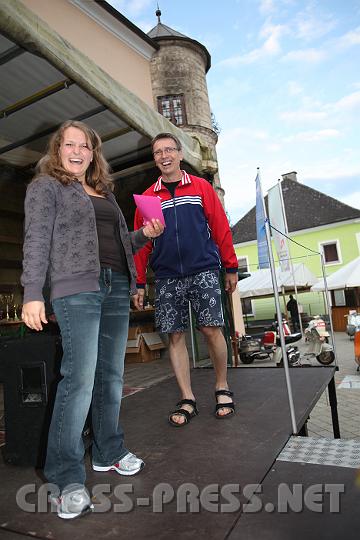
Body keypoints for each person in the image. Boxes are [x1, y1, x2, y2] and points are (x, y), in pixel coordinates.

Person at [21, 120, 163, 519]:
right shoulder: (46, 188)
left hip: (115, 284)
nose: (78, 151)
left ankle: (108, 451)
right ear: (57, 149)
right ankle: (65, 477)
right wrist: (33, 292)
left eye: (85, 145)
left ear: (94, 152)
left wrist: (145, 235)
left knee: (111, 376)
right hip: (75, 288)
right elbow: (36, 239)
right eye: (70, 144)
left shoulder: (103, 192)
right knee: (79, 380)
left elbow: (120, 242)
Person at [133, 132, 238, 427]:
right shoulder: (147, 198)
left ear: (180, 154)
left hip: (203, 269)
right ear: (154, 159)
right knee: (175, 336)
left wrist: (230, 267)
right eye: (158, 152)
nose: (164, 155)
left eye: (169, 150)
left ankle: (221, 386)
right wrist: (139, 282)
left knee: (210, 330)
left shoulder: (201, 188)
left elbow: (221, 228)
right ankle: (187, 397)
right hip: (166, 276)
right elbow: (140, 244)